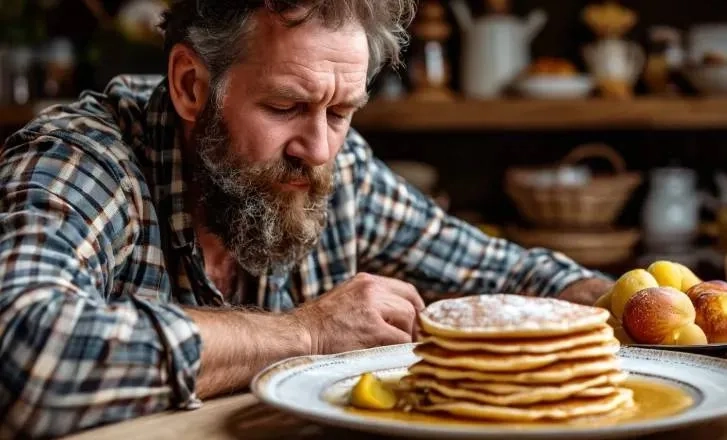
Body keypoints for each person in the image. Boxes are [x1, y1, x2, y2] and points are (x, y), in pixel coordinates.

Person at [0, 0, 613, 437]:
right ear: (191, 85)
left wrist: (620, 297)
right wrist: (306, 335)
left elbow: (498, 270)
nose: (319, 149)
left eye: (343, 112)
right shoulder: (83, 158)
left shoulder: (338, 171)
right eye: (285, 105)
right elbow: (26, 354)